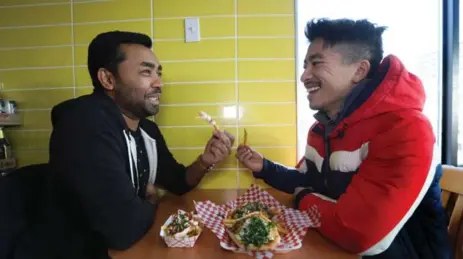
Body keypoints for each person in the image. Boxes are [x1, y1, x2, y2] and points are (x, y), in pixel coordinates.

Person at [237, 18, 451, 258]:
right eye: (305, 65)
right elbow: (306, 179)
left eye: (316, 63)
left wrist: (302, 198)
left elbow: (360, 234)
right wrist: (264, 167)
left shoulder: (406, 129)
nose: (304, 76)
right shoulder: (322, 128)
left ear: (359, 70)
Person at [13, 31, 235, 259]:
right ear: (108, 79)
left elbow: (178, 181)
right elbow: (122, 228)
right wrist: (151, 199)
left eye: (158, 73)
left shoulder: (147, 130)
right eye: (146, 72)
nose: (159, 83)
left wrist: (205, 161)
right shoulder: (84, 125)